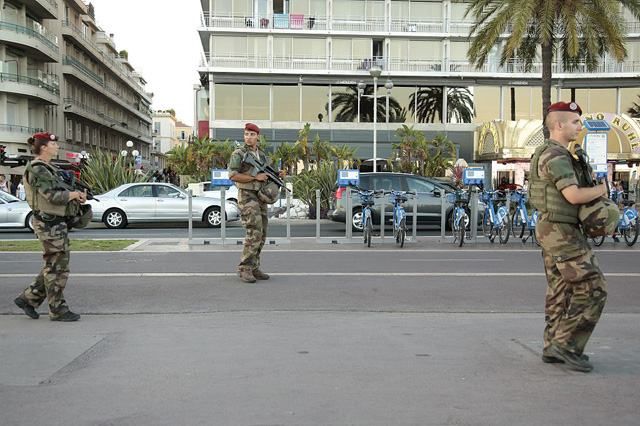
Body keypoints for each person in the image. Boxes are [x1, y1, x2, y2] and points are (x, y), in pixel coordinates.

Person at [529, 101, 617, 372]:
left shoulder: (554, 153)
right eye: (575, 122)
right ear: (558, 125)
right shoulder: (555, 156)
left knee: (561, 289)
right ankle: (566, 345)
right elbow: (574, 195)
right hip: (561, 232)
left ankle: (552, 346)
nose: (580, 127)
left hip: (553, 228)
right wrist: (602, 189)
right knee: (594, 287)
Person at [14, 132, 88, 322]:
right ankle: (57, 310)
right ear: (44, 147)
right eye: (53, 144)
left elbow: (59, 192)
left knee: (54, 264)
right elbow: (52, 196)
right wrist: (73, 194)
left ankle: (28, 299)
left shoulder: (48, 168)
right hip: (48, 223)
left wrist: (76, 195)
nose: (57, 146)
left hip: (54, 223)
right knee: (57, 268)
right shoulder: (38, 169)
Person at [228, 123, 281, 283]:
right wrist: (254, 178)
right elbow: (233, 175)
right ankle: (244, 268)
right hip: (247, 196)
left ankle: (254, 267)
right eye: (246, 134)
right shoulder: (239, 153)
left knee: (262, 233)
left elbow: (267, 173)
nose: (248, 137)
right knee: (253, 232)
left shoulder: (262, 155)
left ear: (258, 136)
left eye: (252, 134)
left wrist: (278, 175)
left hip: (260, 196)